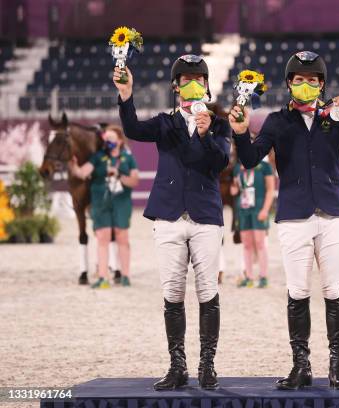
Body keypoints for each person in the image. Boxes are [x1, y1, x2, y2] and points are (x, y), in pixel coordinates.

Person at [229, 50, 339, 390]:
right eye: (299, 80)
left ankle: (337, 365)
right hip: (293, 216)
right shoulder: (277, 121)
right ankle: (301, 365)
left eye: (312, 80)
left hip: (332, 214)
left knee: (335, 290)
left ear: (321, 84)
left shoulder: (335, 117)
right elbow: (249, 159)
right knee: (298, 291)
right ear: (289, 84)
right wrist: (239, 131)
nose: (305, 85)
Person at [112, 54, 230, 390]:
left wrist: (206, 133)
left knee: (208, 292)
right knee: (173, 294)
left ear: (207, 86)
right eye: (186, 79)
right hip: (167, 216)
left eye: (199, 78)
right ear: (176, 87)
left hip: (206, 217)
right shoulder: (165, 123)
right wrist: (126, 95)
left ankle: (207, 365)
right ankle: (177, 365)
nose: (193, 83)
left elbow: (220, 162)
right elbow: (133, 129)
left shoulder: (219, 125)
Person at [68, 125, 139, 288]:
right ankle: (103, 277)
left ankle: (125, 275)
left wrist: (120, 176)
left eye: (111, 139)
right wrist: (73, 166)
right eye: (105, 140)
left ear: (120, 141)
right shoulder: (97, 157)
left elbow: (135, 180)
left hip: (121, 201)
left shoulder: (128, 158)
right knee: (102, 238)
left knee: (122, 237)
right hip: (100, 201)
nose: (107, 142)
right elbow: (82, 173)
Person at [230, 157, 275, 288]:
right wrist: (234, 189)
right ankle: (249, 277)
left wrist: (266, 209)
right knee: (247, 245)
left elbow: (271, 189)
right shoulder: (238, 167)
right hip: (243, 209)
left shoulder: (264, 166)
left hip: (259, 208)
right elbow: (236, 187)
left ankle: (263, 276)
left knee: (260, 244)